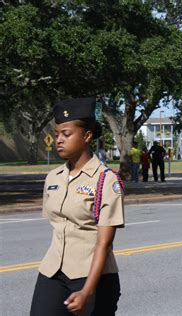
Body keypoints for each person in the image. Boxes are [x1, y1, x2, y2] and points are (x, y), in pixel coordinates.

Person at [30, 97, 124, 315]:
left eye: (66, 133)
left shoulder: (105, 180)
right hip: (54, 270)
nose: (58, 140)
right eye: (56, 134)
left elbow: (104, 243)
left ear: (87, 136)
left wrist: (87, 291)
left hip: (93, 276)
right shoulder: (53, 178)